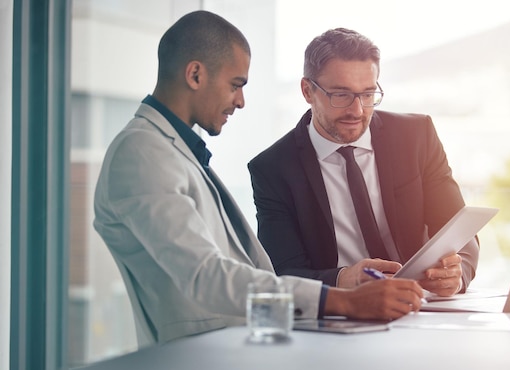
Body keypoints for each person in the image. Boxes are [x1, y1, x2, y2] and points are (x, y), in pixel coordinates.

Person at [93, 11, 423, 345]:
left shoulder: (172, 150)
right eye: (235, 85)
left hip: (227, 352)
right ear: (195, 75)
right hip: (194, 362)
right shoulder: (141, 153)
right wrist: (342, 301)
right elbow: (205, 276)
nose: (240, 101)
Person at [248, 28, 479, 297]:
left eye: (368, 95)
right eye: (341, 95)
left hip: (421, 306)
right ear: (307, 91)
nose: (357, 111)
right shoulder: (273, 169)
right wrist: (344, 279)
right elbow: (284, 272)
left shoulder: (416, 136)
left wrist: (457, 274)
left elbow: (460, 231)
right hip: (342, 312)